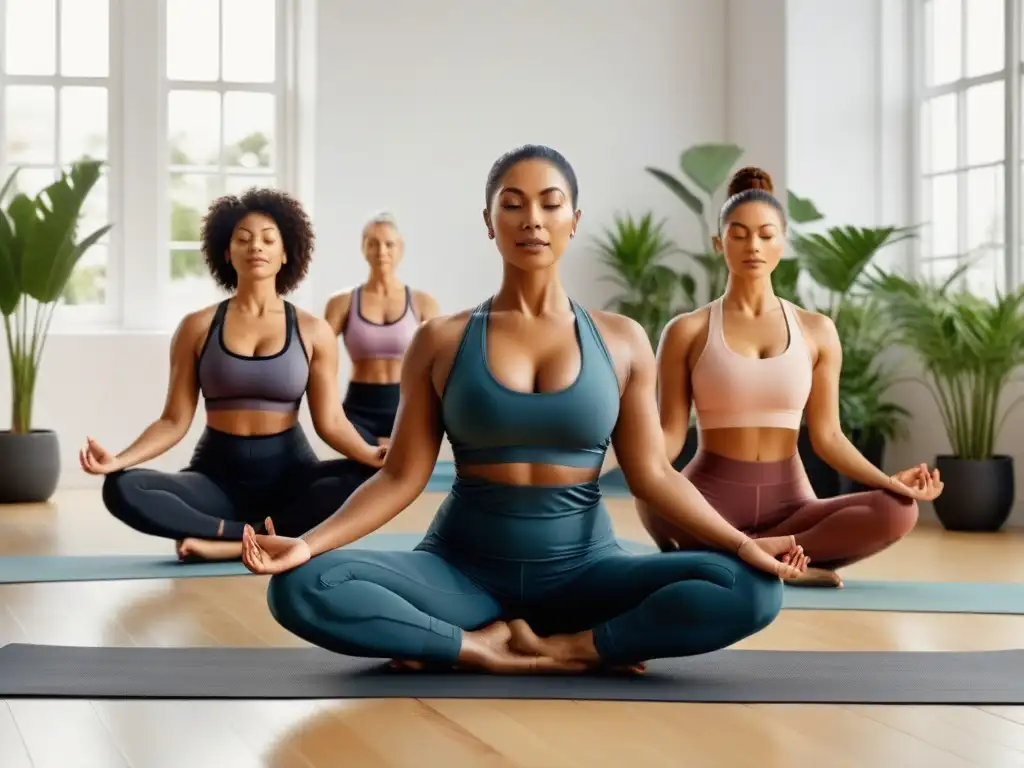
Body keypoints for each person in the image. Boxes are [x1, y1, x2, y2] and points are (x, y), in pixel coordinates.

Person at [238, 145, 811, 675]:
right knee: (299, 586)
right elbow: (400, 476)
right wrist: (308, 544)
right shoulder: (441, 339)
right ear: (489, 223)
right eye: (512, 205)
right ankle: (476, 647)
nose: (532, 219)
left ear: (574, 221)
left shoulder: (622, 339)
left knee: (753, 587)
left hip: (587, 571)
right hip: (460, 571)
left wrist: (741, 543)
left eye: (550, 204)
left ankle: (573, 646)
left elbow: (655, 474)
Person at [639, 166, 943, 588]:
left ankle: (757, 552)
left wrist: (890, 483)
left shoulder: (816, 330)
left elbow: (829, 437)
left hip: (792, 505)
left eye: (766, 234)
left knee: (899, 510)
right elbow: (670, 434)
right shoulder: (687, 330)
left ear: (784, 241)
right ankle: (771, 556)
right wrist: (639, 472)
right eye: (739, 234)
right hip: (709, 500)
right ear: (718, 243)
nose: (753, 246)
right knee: (651, 487)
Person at [80, 188, 387, 562]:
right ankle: (253, 536)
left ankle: (223, 543)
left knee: (367, 481)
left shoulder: (312, 330)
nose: (256, 246)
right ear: (226, 252)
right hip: (215, 478)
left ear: (286, 252)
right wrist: (118, 459)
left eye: (268, 239)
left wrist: (372, 455)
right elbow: (173, 420)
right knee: (123, 487)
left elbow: (332, 423)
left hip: (291, 476)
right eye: (243, 239)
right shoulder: (197, 327)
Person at [324, 213, 440, 453]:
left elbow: (439, 364)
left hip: (406, 408)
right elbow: (318, 357)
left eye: (389, 244)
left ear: (401, 249)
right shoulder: (341, 302)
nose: (381, 251)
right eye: (373, 243)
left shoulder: (423, 303)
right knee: (360, 477)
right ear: (363, 248)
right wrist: (327, 406)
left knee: (397, 481)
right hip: (357, 409)